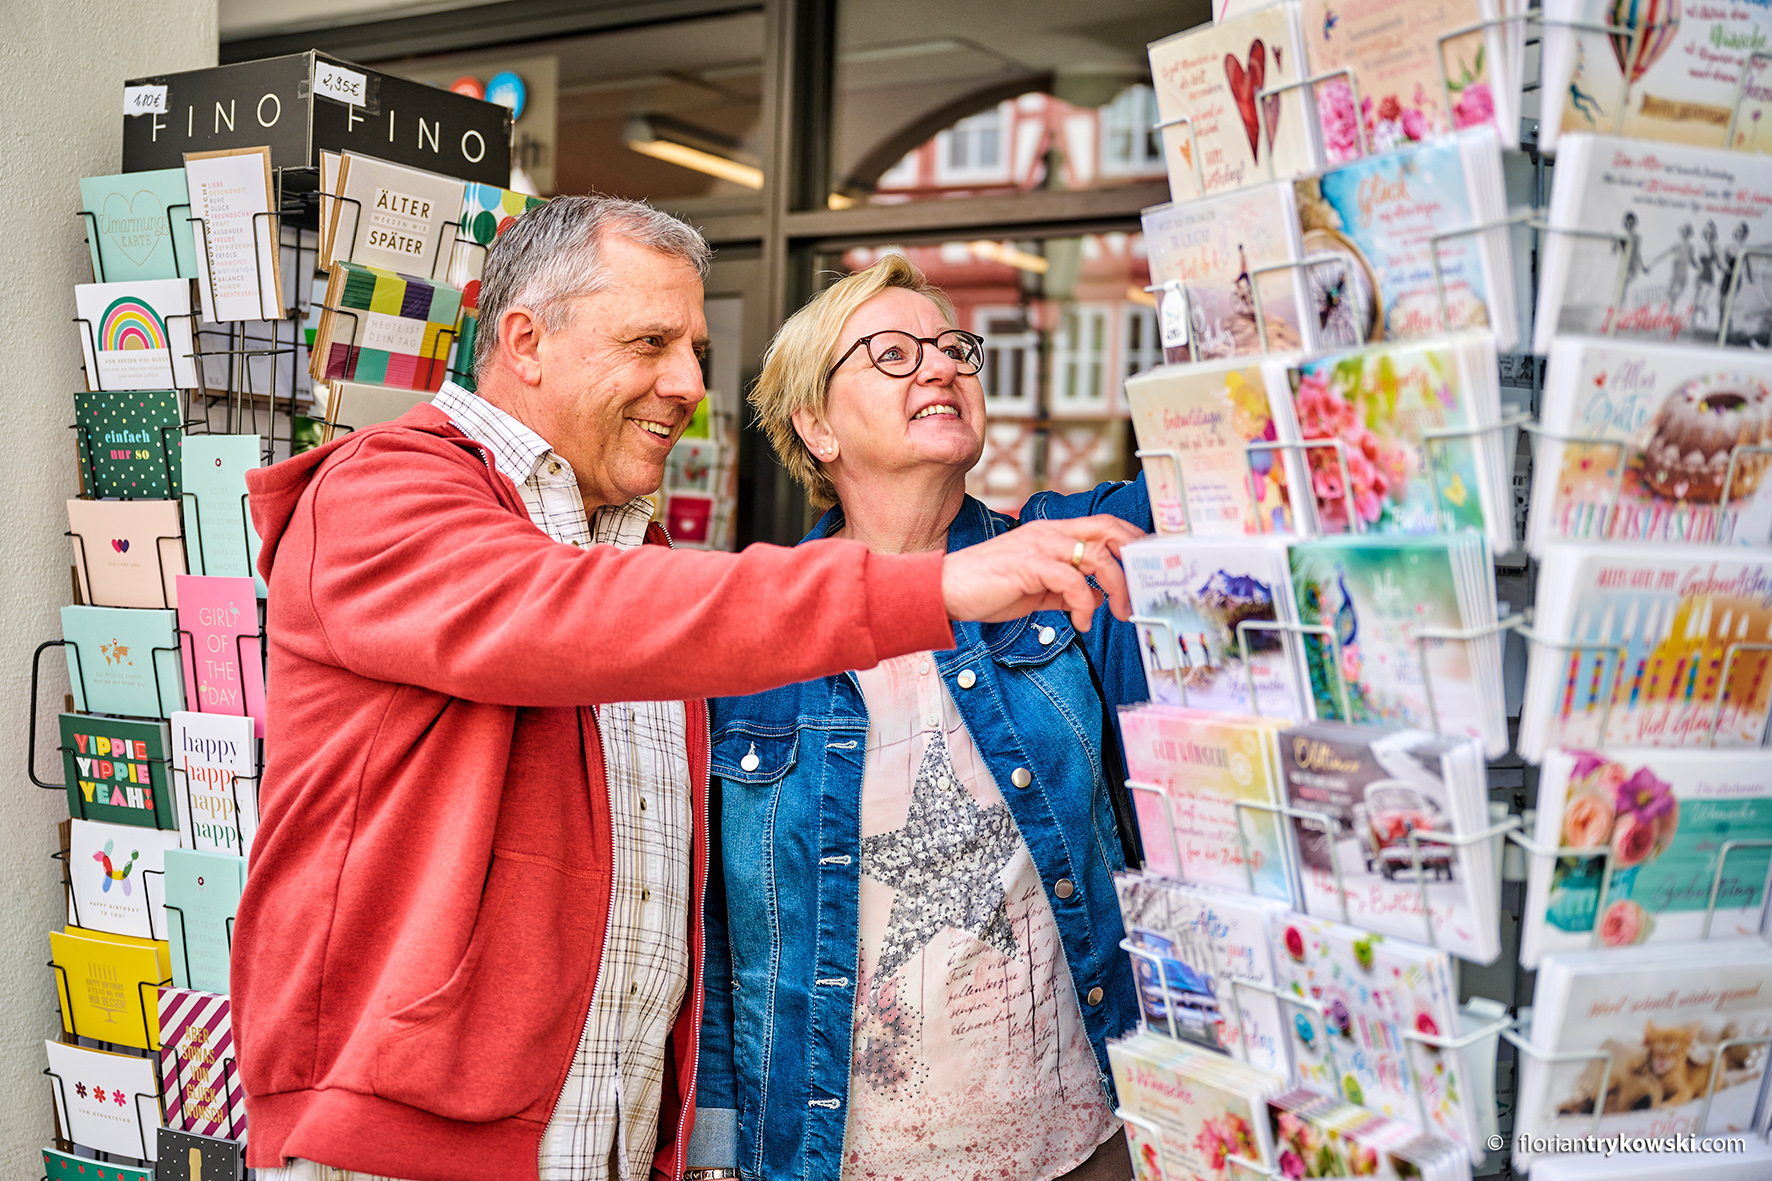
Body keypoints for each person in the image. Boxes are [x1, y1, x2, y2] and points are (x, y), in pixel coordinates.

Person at [232, 197, 1144, 1181]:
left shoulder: (634, 549)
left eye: (694, 349)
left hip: (608, 1142)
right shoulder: (382, 490)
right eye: (650, 342)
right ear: (525, 341)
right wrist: (935, 585)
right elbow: (560, 611)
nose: (689, 385)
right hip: (414, 1147)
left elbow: (698, 920)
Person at [689, 256, 1152, 1181]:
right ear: (815, 425)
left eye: (953, 350)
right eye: (892, 353)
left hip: (1081, 1142)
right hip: (836, 1154)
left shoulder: (1058, 561)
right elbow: (719, 931)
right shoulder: (748, 632)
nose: (940, 368)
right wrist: (711, 1148)